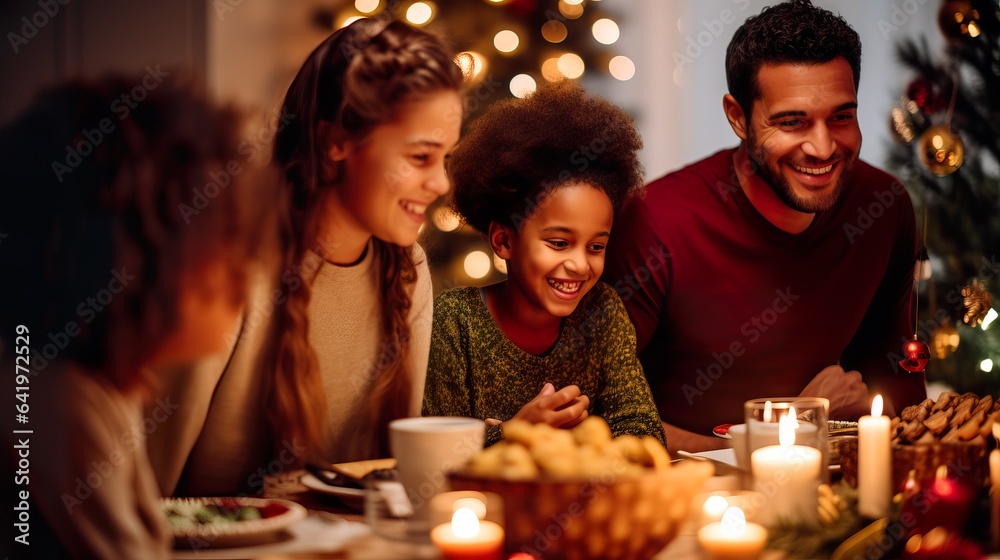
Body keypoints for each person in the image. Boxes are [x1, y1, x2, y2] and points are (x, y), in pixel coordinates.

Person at [146, 18, 465, 497]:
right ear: (335, 140)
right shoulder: (231, 266)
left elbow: (392, 483)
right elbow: (143, 492)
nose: (441, 183)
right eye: (420, 156)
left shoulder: (408, 269)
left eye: (446, 158)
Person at [603, 0, 926, 452]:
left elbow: (898, 379)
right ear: (738, 117)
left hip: (832, 490)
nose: (822, 147)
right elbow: (598, 412)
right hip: (681, 494)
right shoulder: (657, 220)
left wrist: (877, 408)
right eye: (792, 122)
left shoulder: (883, 205)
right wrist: (784, 430)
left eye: (841, 116)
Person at [0, 77, 275, 558]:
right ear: (138, 257)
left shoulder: (100, 383)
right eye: (225, 237)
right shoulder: (60, 404)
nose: (247, 264)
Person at [423, 81, 666, 448]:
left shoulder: (602, 312)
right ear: (504, 241)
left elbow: (643, 429)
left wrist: (582, 440)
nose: (580, 265)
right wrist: (515, 432)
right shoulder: (455, 322)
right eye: (558, 243)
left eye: (596, 246)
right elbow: (434, 448)